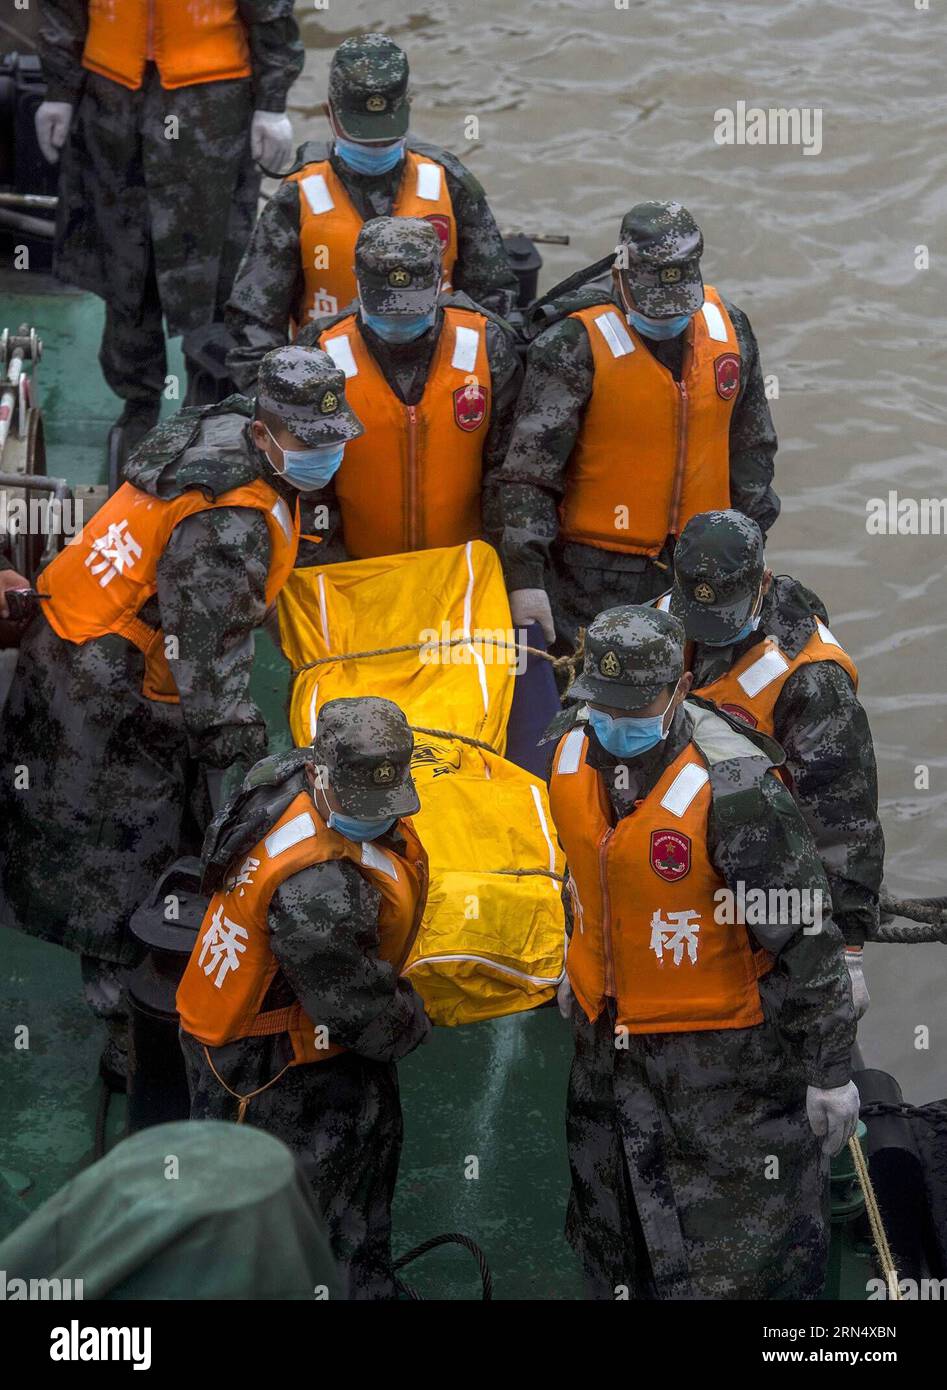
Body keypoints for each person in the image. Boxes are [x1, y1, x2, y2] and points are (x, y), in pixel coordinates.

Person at [0, 347, 361, 1084]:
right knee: (116, 852)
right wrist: (245, 745)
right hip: (104, 687)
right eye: (310, 442)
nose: (325, 455)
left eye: (334, 440)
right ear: (265, 436)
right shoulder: (229, 524)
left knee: (144, 830)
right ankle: (131, 1030)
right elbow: (206, 655)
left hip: (78, 635)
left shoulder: (224, 426)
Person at [546, 604, 858, 1299]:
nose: (613, 724)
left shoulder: (737, 794)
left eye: (636, 706)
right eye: (602, 705)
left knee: (740, 1248)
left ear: (679, 690)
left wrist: (828, 1071)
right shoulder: (569, 749)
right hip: (608, 1046)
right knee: (614, 1217)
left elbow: (805, 936)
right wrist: (579, 956)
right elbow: (582, 868)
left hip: (724, 1063)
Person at [177, 697, 432, 1300]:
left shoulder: (278, 779)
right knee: (318, 1207)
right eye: (360, 803)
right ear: (324, 774)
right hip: (270, 1069)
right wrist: (415, 1021)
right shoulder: (317, 890)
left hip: (229, 1033)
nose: (376, 818)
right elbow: (359, 1014)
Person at [491, 201, 780, 653]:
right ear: (620, 275)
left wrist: (750, 543)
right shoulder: (571, 345)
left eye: (676, 306)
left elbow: (752, 449)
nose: (666, 317)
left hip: (703, 568)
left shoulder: (731, 331)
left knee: (694, 693)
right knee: (600, 698)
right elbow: (529, 474)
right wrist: (526, 578)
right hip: (593, 575)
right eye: (654, 306)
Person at [34, 0, 302, 455]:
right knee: (123, 260)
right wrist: (59, 90)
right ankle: (138, 401)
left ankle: (212, 395)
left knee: (214, 261)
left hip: (213, 102)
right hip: (110, 99)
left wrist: (272, 103)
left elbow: (271, 10)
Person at [655, 508, 883, 1015]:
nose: (709, 633)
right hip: (676, 864)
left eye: (724, 618)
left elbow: (844, 816)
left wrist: (846, 948)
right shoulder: (663, 622)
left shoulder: (812, 680)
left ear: (761, 582)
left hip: (771, 878)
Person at [225, 32, 518, 390]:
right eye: (364, 136)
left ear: (407, 108)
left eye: (386, 135)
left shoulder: (450, 186)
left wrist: (486, 377)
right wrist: (283, 402)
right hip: (326, 392)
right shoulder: (295, 199)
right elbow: (254, 324)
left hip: (441, 384)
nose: (377, 146)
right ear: (329, 114)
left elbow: (494, 298)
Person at [292, 215, 522, 562]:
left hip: (465, 568)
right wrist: (325, 568)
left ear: (439, 282)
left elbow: (509, 468)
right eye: (387, 308)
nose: (398, 319)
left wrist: (515, 572)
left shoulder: (488, 342)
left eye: (409, 309)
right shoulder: (319, 351)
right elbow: (308, 488)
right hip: (356, 568)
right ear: (357, 281)